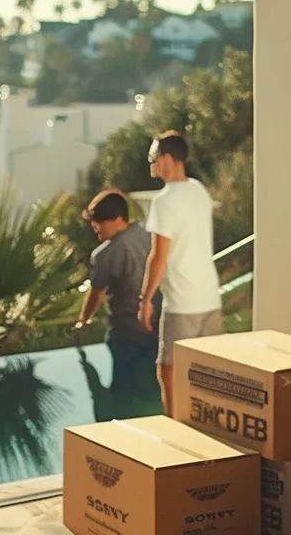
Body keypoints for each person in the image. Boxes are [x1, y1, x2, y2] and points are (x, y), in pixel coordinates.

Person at [136, 131, 224, 416]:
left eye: (152, 159)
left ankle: (177, 428)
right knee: (209, 369)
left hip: (183, 303)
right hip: (210, 295)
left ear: (164, 158)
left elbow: (158, 257)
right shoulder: (198, 189)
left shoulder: (163, 201)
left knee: (168, 369)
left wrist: (145, 300)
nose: (150, 165)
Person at [74, 189, 163, 417]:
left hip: (126, 337)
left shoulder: (105, 254)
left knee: (122, 404)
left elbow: (96, 293)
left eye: (99, 225)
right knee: (155, 398)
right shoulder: (150, 235)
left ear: (116, 220)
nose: (96, 230)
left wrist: (84, 320)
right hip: (158, 332)